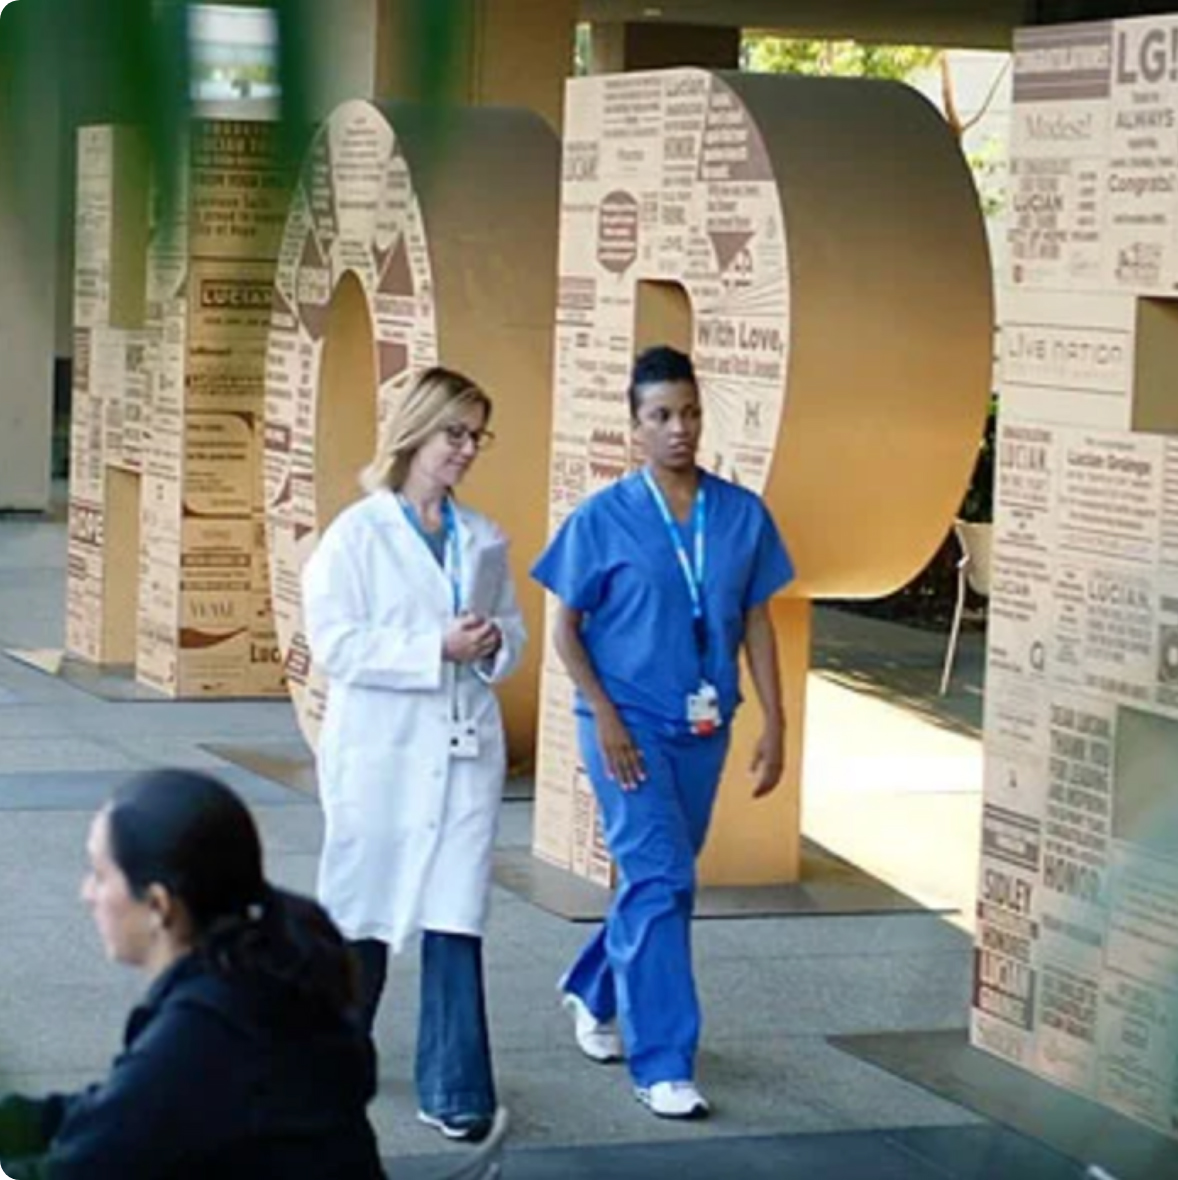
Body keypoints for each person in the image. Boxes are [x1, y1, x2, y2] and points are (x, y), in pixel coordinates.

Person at [531, 344, 795, 1120]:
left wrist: (776, 722)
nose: (679, 429)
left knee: (660, 880)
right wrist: (605, 715)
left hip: (706, 724)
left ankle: (591, 986)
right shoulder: (603, 518)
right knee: (667, 881)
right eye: (661, 416)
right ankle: (663, 1062)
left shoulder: (741, 515)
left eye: (689, 413)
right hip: (625, 727)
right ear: (634, 427)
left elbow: (758, 621)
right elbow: (566, 631)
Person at [302, 365, 525, 1144]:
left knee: (456, 912)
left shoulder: (483, 536)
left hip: (463, 750)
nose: (466, 450)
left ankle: (456, 1086)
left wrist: (492, 644)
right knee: (364, 909)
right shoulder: (357, 536)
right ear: (416, 434)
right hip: (383, 753)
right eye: (454, 434)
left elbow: (512, 631)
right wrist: (434, 644)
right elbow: (334, 644)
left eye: (476, 436)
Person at [0, 768, 384, 1179]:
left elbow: (82, 1165)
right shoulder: (262, 968)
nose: (86, 893)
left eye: (99, 874)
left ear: (159, 905)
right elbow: (116, 1111)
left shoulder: (208, 1030)